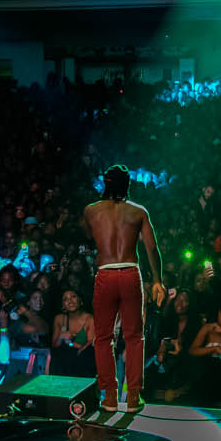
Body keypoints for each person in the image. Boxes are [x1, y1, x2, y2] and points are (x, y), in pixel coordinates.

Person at [83, 164, 164, 412]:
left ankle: (109, 396)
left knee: (104, 337)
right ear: (128, 185)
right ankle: (132, 397)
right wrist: (158, 280)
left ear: (105, 184)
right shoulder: (138, 211)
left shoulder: (91, 210)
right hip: (130, 272)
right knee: (134, 337)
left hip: (105, 273)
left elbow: (88, 237)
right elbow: (152, 249)